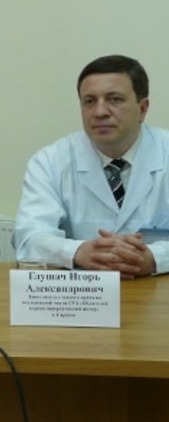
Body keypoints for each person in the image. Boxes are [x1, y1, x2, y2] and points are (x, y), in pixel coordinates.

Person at [14, 55, 169, 278]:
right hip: (80, 291)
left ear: (143, 109)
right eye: (90, 101)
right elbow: (29, 238)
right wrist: (79, 252)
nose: (100, 112)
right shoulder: (50, 162)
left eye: (114, 99)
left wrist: (154, 258)